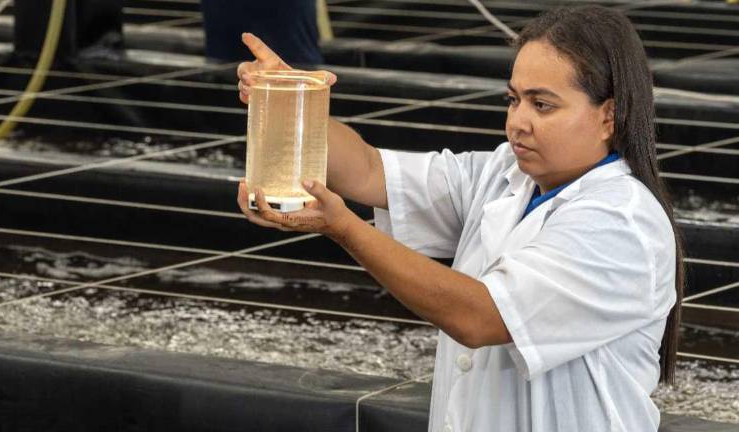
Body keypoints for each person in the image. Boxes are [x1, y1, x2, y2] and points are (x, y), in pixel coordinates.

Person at [236, 5, 682, 431]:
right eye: (514, 100)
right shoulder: (504, 173)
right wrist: (290, 100)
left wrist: (343, 228)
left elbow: (479, 317)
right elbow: (368, 170)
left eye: (542, 105)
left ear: (608, 116)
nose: (518, 122)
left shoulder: (622, 223)